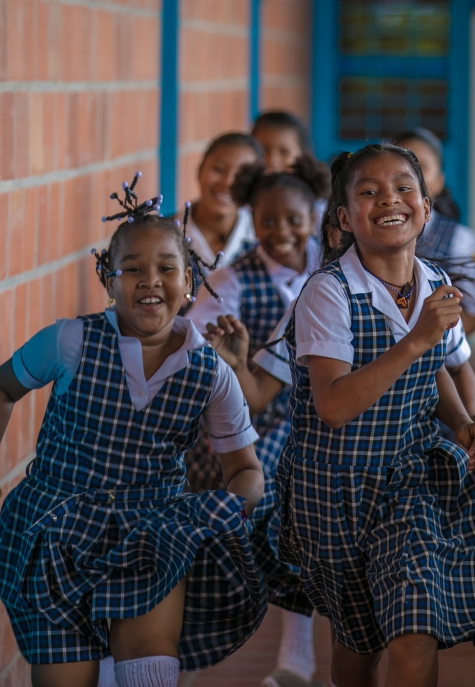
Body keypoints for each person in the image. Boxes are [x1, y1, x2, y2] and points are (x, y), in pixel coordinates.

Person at [0, 174, 267, 687]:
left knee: (148, 662)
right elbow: (0, 389)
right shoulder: (70, 341)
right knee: (66, 677)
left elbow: (246, 469)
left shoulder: (211, 372)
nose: (150, 281)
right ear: (108, 281)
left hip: (153, 530)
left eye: (167, 268)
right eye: (132, 270)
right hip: (56, 528)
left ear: (189, 281)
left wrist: (226, 510)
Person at [276, 143, 475, 687]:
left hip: (408, 483)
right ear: (344, 218)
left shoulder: (434, 283)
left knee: (415, 631)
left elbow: (439, 369)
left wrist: (464, 424)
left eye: (403, 187)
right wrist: (415, 341)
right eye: (368, 191)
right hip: (334, 491)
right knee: (358, 646)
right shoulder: (327, 291)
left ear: (427, 208)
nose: (388, 199)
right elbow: (334, 406)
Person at [184, 155, 331, 687]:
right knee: (252, 522)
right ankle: (190, 645)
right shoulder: (231, 280)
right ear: (251, 217)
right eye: (267, 221)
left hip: (323, 423)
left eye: (293, 219)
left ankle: (298, 657)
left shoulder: (332, 270)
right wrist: (230, 357)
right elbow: (193, 347)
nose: (281, 232)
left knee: (306, 530)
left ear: (314, 214)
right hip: (252, 422)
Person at [393, 128, 475, 336]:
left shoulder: (461, 240)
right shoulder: (363, 231)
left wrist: (429, 347)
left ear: (439, 182)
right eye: (401, 164)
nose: (410, 176)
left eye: (422, 167)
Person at [178, 132, 264, 267]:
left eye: (241, 175)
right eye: (218, 169)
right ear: (200, 170)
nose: (227, 182)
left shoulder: (263, 240)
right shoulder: (166, 234)